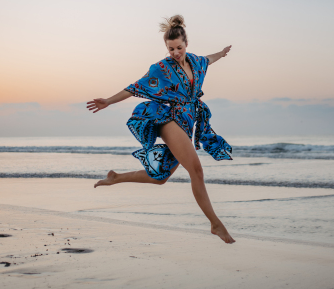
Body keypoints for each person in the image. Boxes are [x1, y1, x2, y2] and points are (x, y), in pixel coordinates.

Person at [87, 15, 235, 244]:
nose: (175, 52)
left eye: (179, 47)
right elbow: (135, 87)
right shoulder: (161, 68)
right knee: (196, 171)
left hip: (187, 123)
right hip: (170, 120)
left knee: (160, 178)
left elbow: (210, 58)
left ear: (186, 44)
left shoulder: (196, 62)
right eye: (170, 49)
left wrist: (222, 53)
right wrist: (108, 100)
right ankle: (215, 224)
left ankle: (115, 178)